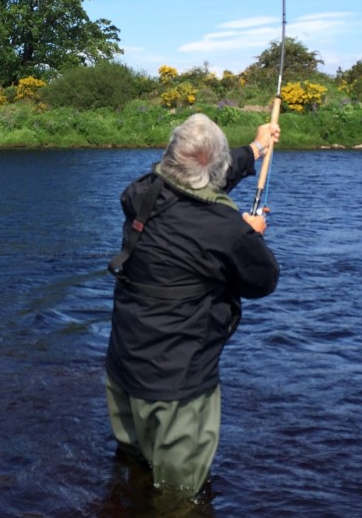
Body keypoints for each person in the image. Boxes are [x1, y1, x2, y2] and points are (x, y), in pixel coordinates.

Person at [104, 112, 281, 499]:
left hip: (123, 367)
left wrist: (256, 148)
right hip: (176, 389)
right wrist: (250, 236)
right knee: (179, 498)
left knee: (130, 470)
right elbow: (263, 281)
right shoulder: (226, 231)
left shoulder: (139, 194)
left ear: (169, 158)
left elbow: (197, 176)